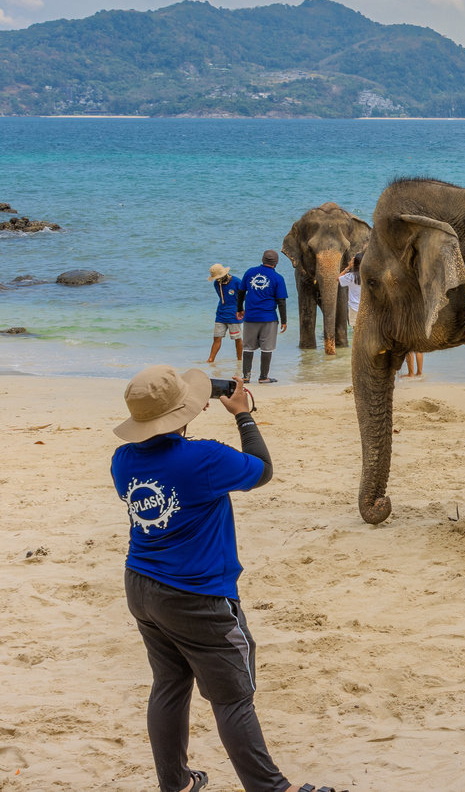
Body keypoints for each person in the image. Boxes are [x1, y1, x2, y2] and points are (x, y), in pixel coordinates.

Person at [111, 363, 347, 792]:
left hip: (141, 585)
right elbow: (261, 468)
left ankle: (176, 783)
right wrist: (243, 414)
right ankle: (271, 788)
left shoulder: (123, 459)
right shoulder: (203, 458)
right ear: (182, 412)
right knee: (233, 696)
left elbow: (168, 461)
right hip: (196, 595)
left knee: (169, 683)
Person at [236, 250, 288, 385]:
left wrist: (239, 309)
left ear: (262, 259)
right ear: (276, 262)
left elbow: (241, 292)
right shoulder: (278, 278)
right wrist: (284, 321)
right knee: (267, 348)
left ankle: (246, 377)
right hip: (269, 318)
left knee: (247, 347)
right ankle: (263, 377)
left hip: (250, 317)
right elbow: (281, 301)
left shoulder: (250, 272)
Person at [204, 264, 243, 365]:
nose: (217, 280)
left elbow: (244, 296)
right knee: (217, 337)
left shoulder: (237, 281)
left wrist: (241, 309)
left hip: (234, 314)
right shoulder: (216, 284)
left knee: (237, 338)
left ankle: (239, 360)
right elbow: (222, 298)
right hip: (221, 314)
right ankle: (211, 359)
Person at [336, 253, 362, 332]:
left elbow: (337, 279)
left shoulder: (350, 276)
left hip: (354, 308)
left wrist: (348, 267)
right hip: (366, 308)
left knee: (356, 332)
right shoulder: (368, 276)